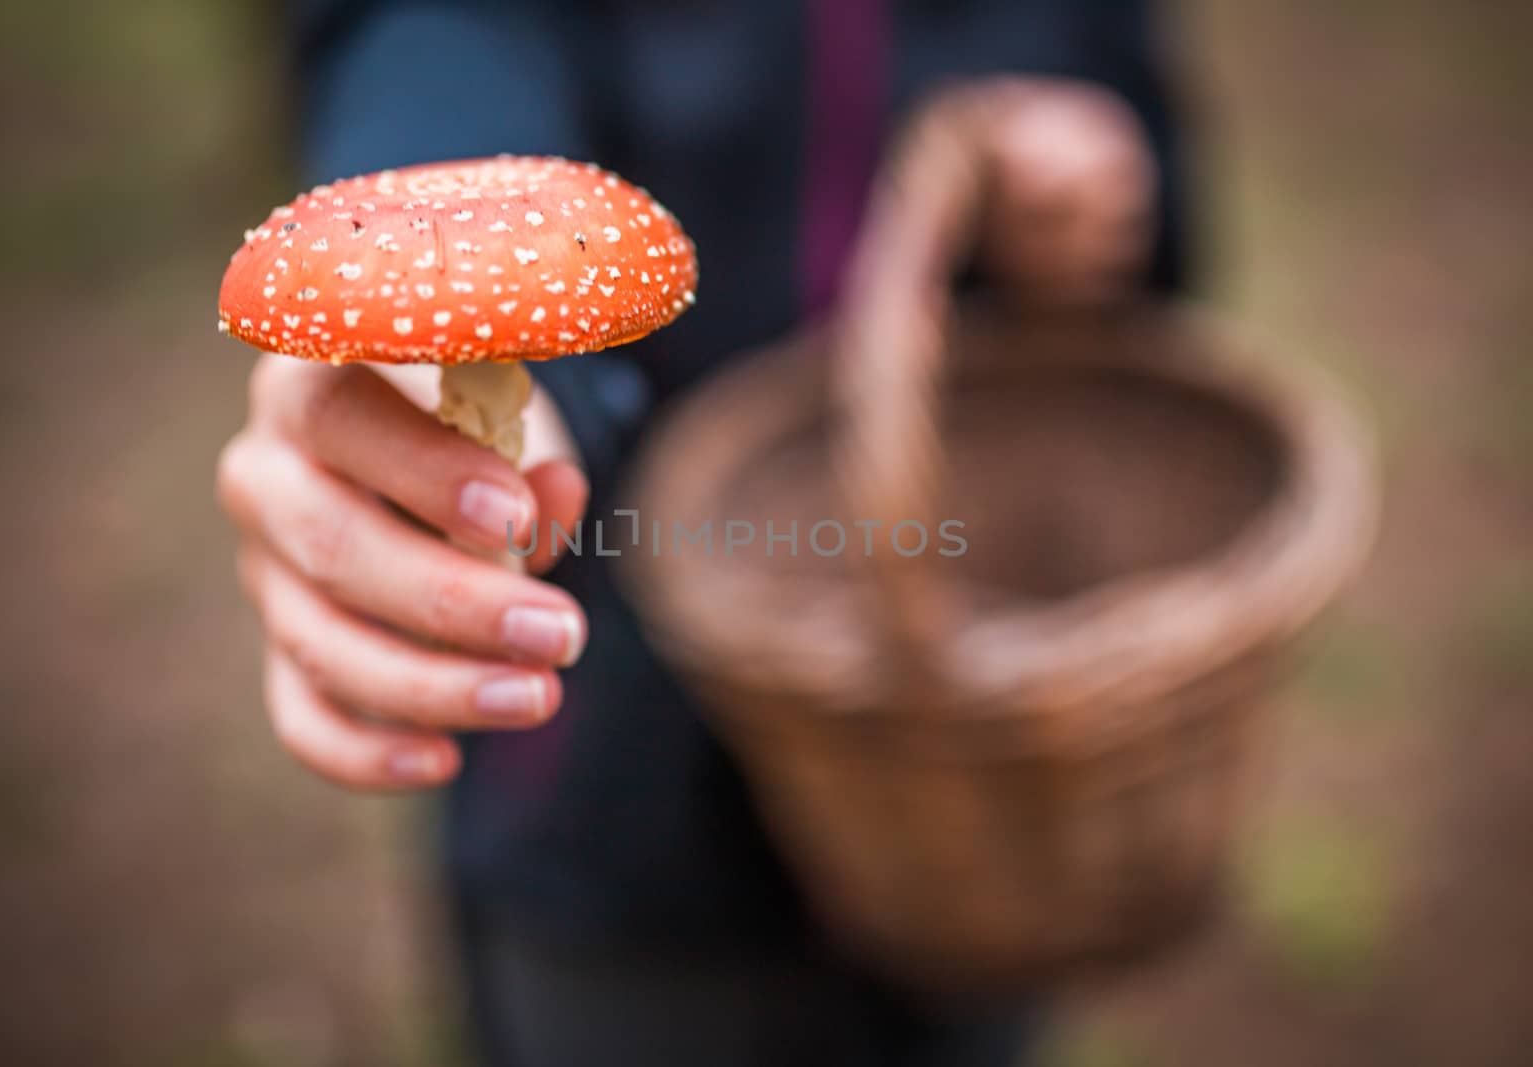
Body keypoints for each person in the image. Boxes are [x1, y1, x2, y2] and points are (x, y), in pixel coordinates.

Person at [217, 1, 1189, 1063]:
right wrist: (431, 295)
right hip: (620, 790)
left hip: (984, 740)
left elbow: (1104, 51)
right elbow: (430, 26)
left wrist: (1097, 171)